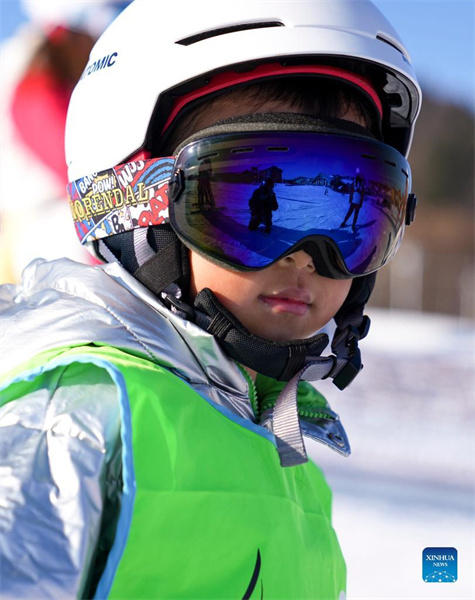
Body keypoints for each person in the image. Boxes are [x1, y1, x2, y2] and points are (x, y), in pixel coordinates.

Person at [0, 1, 421, 598]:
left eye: (351, 211)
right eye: (253, 205)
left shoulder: (286, 454)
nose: (306, 255)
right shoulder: (75, 425)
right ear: (136, 204)